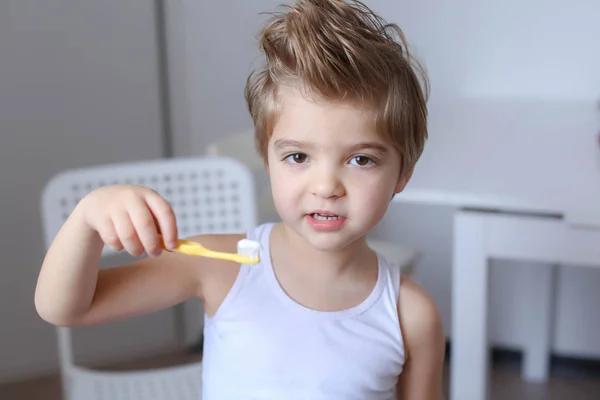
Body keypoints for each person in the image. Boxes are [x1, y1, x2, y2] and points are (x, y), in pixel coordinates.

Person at [35, 0, 445, 398]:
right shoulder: (219, 266)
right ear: (268, 160)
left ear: (403, 173)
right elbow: (66, 309)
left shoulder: (412, 315)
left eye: (361, 159)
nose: (326, 187)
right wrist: (87, 219)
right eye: (298, 156)